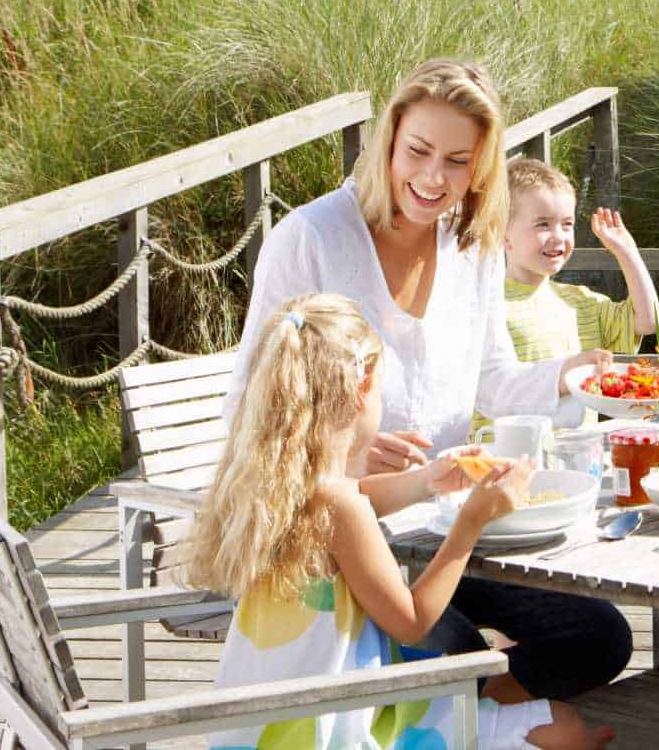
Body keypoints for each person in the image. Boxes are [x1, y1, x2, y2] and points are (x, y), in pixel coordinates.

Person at [226, 59, 632, 705]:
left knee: (598, 636)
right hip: (335, 545)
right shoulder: (310, 238)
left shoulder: (473, 244)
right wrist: (347, 459)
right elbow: (254, 407)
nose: (434, 177)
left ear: (482, 167)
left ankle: (471, 718)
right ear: (388, 140)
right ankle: (477, 720)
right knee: (454, 654)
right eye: (418, 151)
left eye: (458, 161)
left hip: (443, 522)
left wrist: (565, 374)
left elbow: (492, 380)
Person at [187, 294, 614, 749]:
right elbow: (412, 622)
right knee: (566, 728)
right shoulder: (339, 506)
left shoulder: (276, 484)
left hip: (268, 726)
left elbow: (357, 498)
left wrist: (427, 480)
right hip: (342, 727)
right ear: (363, 387)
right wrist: (471, 523)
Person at [501, 158, 659, 427]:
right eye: (543, 224)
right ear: (503, 234)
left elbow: (648, 321)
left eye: (567, 224)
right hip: (509, 446)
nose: (559, 236)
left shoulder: (581, 302)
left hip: (579, 448)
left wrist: (627, 251)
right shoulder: (488, 305)